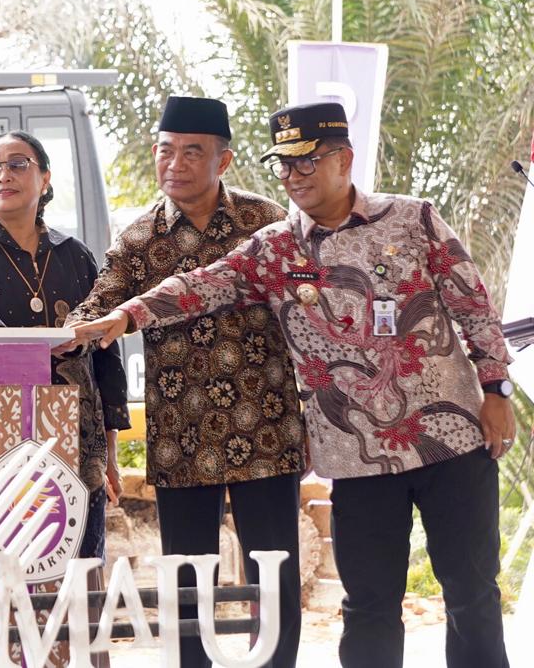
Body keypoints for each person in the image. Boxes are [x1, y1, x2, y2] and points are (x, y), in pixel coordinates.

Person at [74, 102, 516, 668]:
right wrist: (126, 316)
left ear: (345, 160)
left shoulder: (413, 218)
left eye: (308, 161)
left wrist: (497, 392)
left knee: (473, 594)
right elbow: (199, 286)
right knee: (371, 607)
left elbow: (473, 306)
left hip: (449, 438)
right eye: (284, 165)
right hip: (359, 459)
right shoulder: (276, 249)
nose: (294, 176)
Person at [66, 95, 305, 668]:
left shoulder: (265, 221)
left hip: (266, 426)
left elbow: (305, 311)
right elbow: (98, 307)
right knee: (187, 579)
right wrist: (69, 331)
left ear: (222, 162)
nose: (174, 163)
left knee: (273, 573)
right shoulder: (138, 238)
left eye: (191, 152)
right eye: (165, 151)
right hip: (181, 432)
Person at [0, 129, 131, 569]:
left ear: (45, 179)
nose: (4, 174)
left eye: (18, 164)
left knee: (78, 562)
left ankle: (78, 638)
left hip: (79, 436)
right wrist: (41, 346)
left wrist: (111, 450)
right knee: (9, 565)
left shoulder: (75, 255)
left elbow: (105, 354)